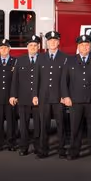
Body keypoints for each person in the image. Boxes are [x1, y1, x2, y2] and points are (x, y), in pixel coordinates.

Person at [64, 34, 91, 160]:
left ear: (90, 46)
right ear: (78, 46)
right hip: (75, 100)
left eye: (87, 45)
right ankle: (73, 152)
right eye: (82, 45)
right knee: (75, 128)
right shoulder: (70, 60)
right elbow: (64, 81)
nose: (85, 47)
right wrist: (66, 96)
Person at [35, 31, 69, 159]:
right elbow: (37, 79)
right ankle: (43, 149)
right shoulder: (40, 57)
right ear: (47, 43)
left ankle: (61, 149)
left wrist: (65, 96)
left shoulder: (65, 58)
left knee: (61, 124)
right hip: (43, 97)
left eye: (55, 41)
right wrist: (35, 95)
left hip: (58, 97)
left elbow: (66, 79)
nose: (52, 43)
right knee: (44, 124)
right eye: (50, 41)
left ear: (58, 42)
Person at [11, 35, 42, 156]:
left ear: (38, 47)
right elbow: (15, 80)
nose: (33, 47)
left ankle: (38, 147)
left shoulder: (43, 59)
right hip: (23, 98)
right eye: (31, 45)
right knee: (23, 125)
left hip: (38, 98)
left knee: (38, 125)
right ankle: (23, 147)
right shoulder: (20, 60)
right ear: (27, 47)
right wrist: (13, 95)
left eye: (35, 45)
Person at [0, 39, 17, 152]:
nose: (3, 49)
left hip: (10, 97)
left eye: (6, 47)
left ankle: (11, 143)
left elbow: (17, 80)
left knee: (11, 122)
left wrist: (15, 95)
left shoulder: (15, 61)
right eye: (1, 48)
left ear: (9, 49)